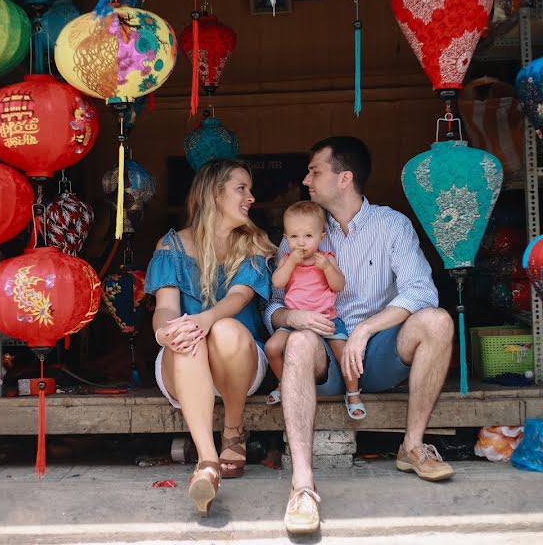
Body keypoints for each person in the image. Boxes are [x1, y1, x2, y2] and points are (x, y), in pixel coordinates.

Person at [264, 137, 455, 534]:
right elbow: (271, 307)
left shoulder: (391, 225)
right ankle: (302, 485)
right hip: (323, 354)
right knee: (297, 340)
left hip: (379, 350)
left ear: (344, 178)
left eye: (315, 171)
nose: (306, 179)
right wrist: (292, 315)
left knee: (437, 320)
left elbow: (421, 290)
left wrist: (366, 329)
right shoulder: (302, 231)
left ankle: (413, 446)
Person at [145, 159, 276, 517]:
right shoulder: (171, 245)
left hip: (240, 361)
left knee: (225, 328)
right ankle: (207, 460)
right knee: (187, 339)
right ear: (215, 194)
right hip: (183, 364)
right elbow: (166, 307)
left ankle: (233, 430)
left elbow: (239, 298)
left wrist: (204, 319)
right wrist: (166, 333)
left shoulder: (254, 243)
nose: (251, 197)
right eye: (241, 188)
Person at [264, 201, 366, 421]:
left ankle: (353, 393)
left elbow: (338, 285)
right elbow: (277, 282)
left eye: (308, 236)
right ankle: (284, 384)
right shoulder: (286, 260)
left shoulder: (326, 258)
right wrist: (290, 263)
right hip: (294, 321)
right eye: (293, 237)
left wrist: (328, 268)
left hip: (327, 318)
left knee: (345, 354)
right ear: (285, 237)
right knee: (272, 348)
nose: (301, 243)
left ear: (321, 236)